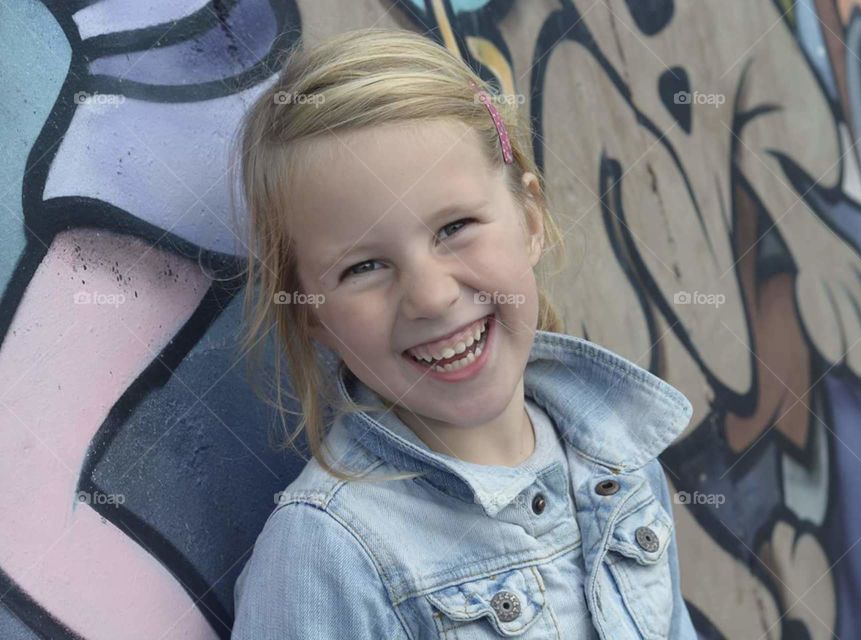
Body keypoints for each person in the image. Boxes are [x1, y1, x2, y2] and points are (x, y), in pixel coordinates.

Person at [230, 27, 696, 639]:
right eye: (364, 266)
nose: (431, 295)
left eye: (454, 227)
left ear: (531, 220)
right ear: (310, 315)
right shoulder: (329, 557)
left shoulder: (617, 456)